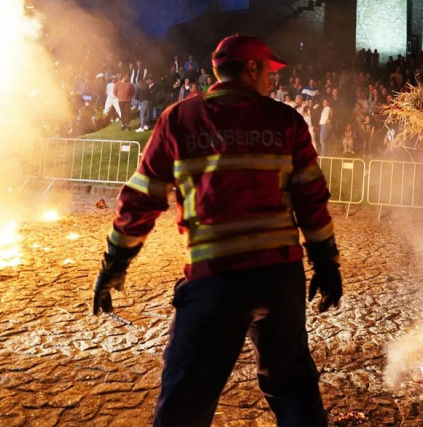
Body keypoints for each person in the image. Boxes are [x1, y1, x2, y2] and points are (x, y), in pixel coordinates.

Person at [92, 34, 342, 427]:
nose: (271, 83)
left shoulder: (179, 119)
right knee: (293, 389)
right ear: (252, 68)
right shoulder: (285, 121)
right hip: (279, 278)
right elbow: (312, 200)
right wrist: (327, 264)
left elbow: (141, 198)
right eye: (269, 73)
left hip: (214, 281)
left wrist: (114, 263)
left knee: (184, 404)